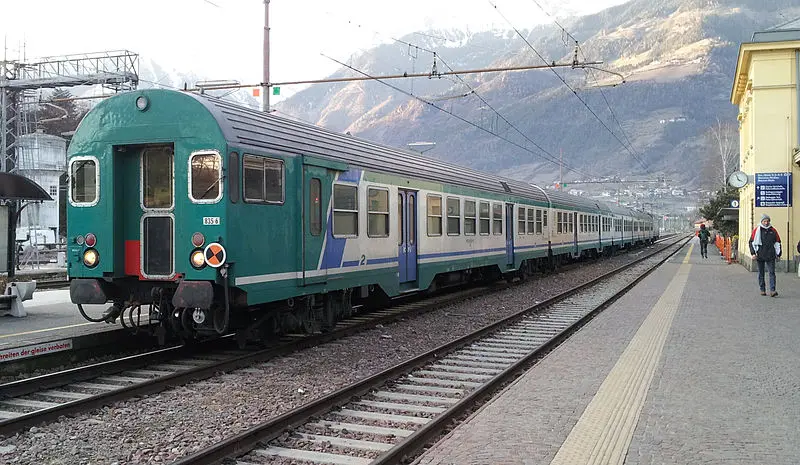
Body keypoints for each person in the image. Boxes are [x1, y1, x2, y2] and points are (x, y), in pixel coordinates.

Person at [748, 214, 781, 297]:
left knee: (772, 273)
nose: (766, 223)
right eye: (764, 221)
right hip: (760, 254)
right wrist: (753, 253)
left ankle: (773, 290)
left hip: (771, 254)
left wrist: (779, 253)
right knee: (761, 273)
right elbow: (751, 242)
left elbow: (777, 242)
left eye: (767, 221)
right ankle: (762, 289)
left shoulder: (773, 230)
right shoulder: (757, 230)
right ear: (761, 221)